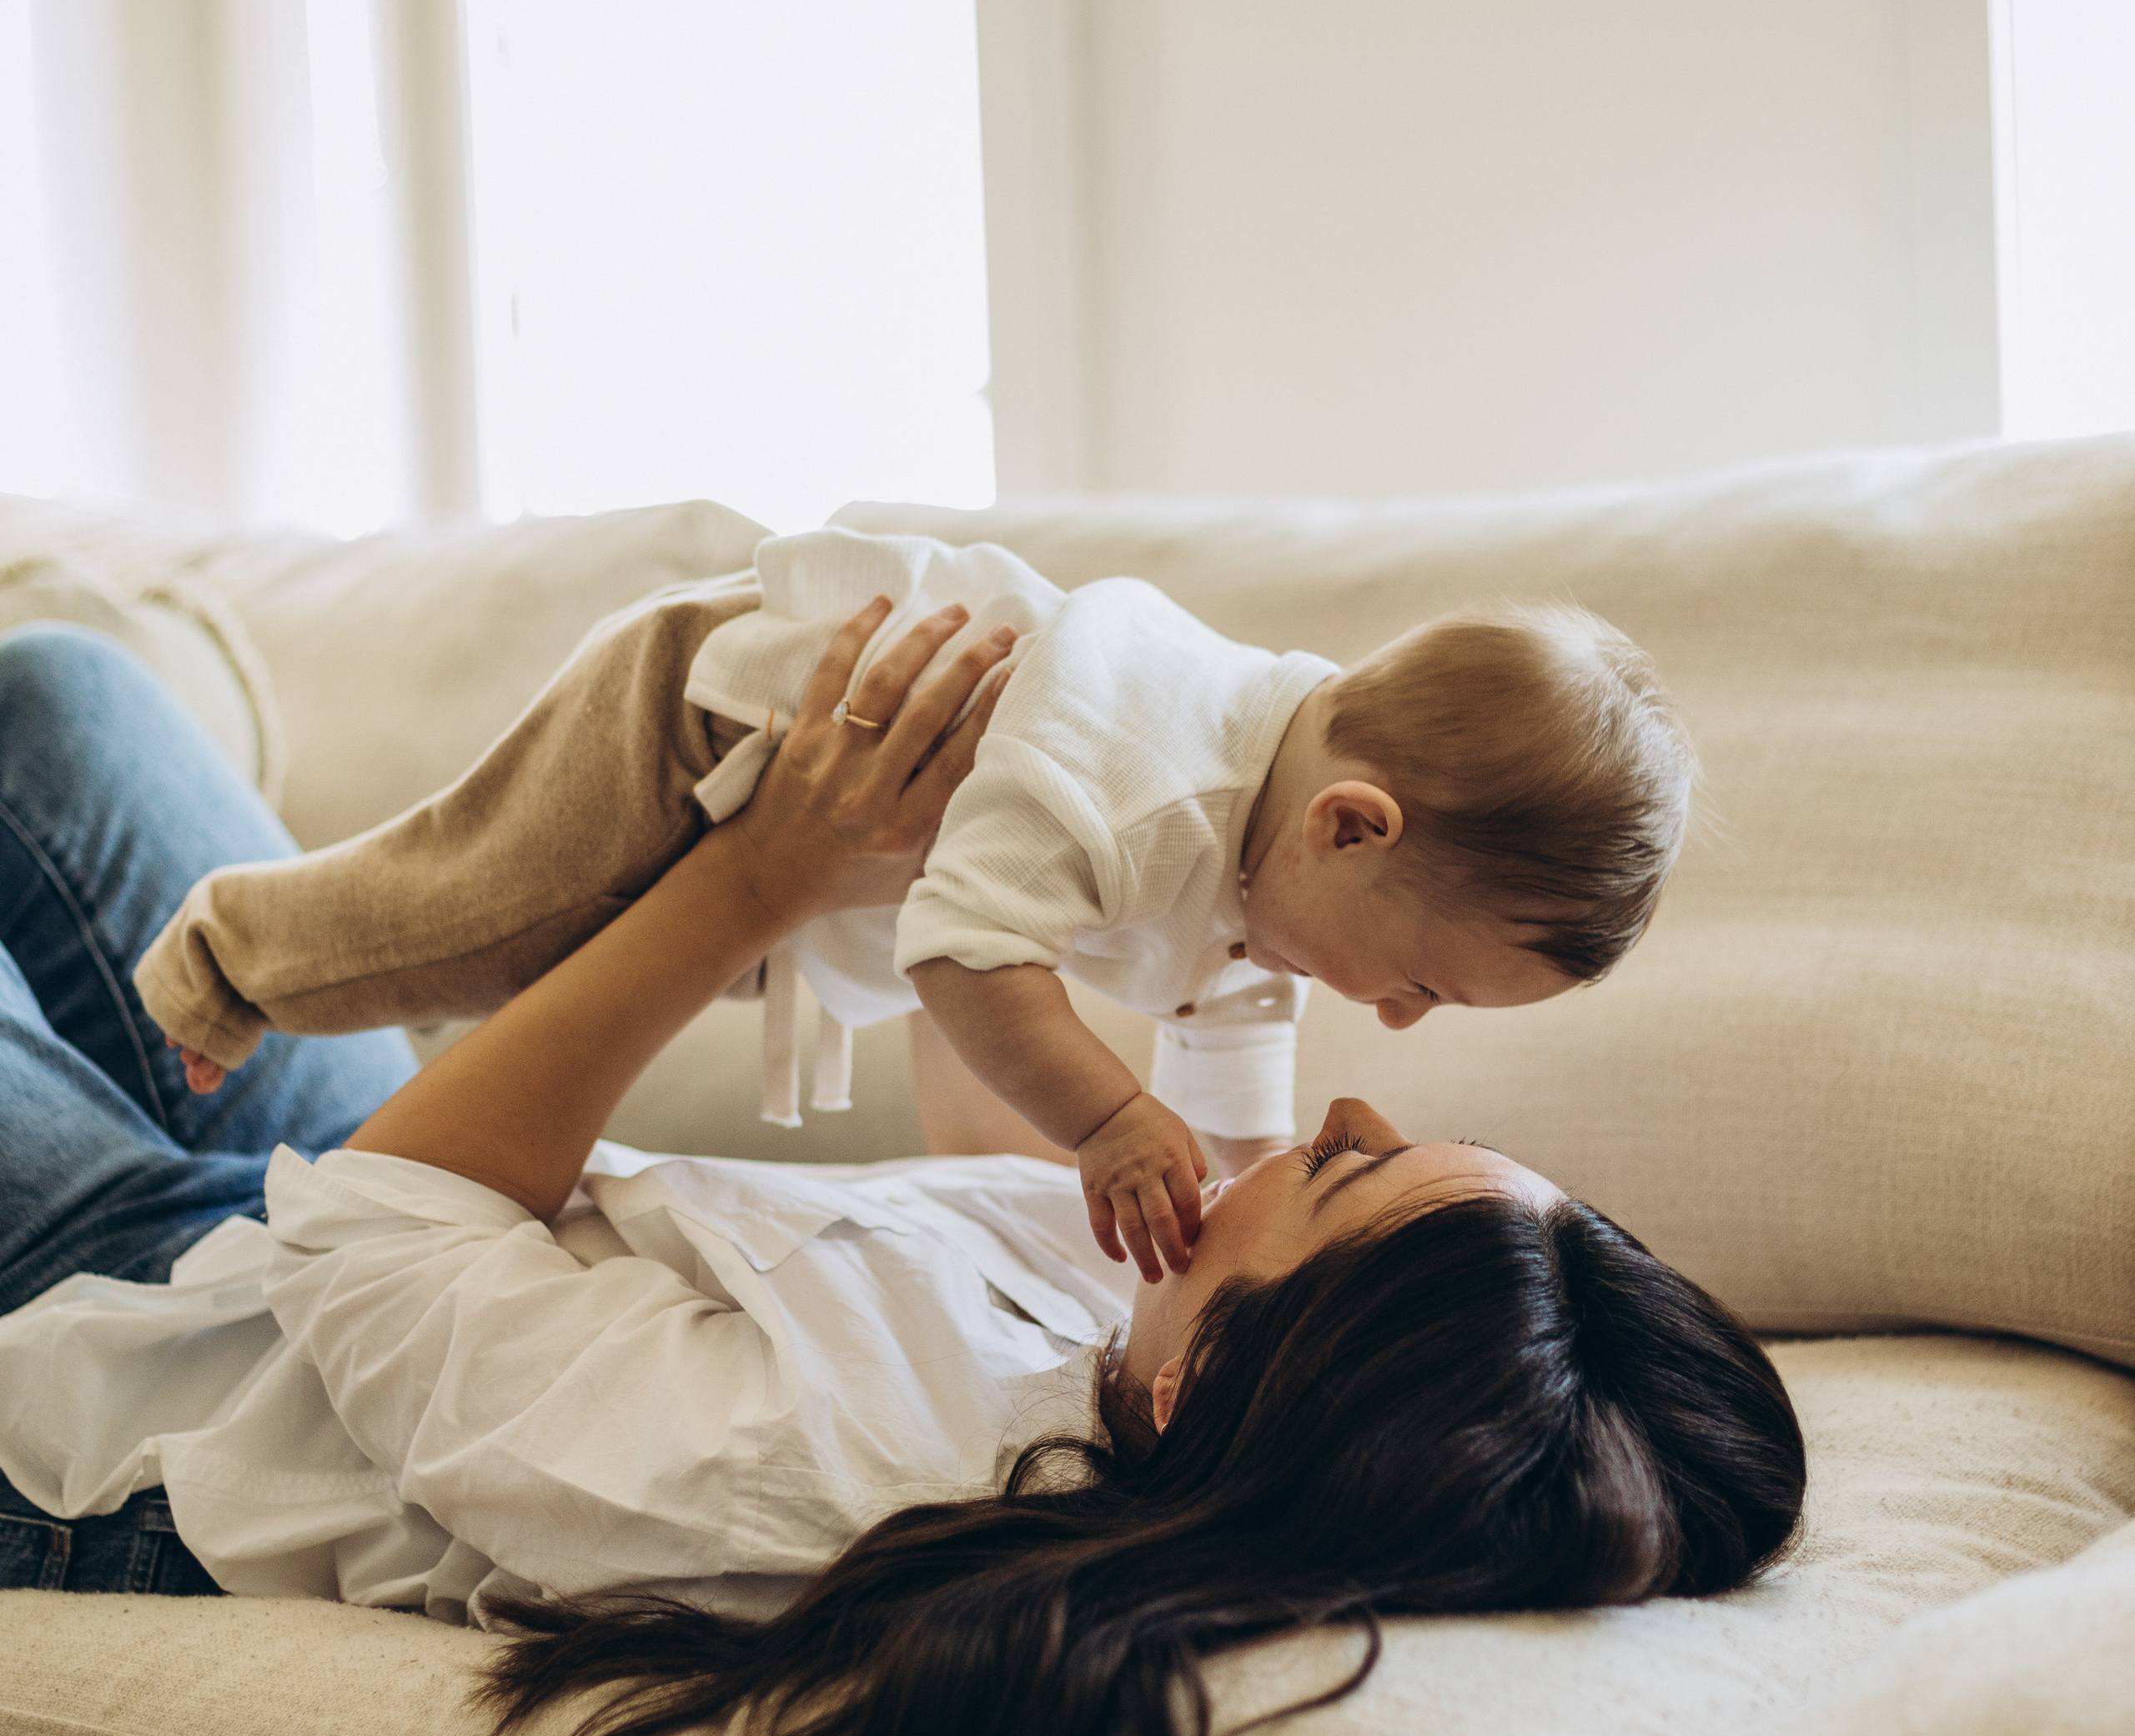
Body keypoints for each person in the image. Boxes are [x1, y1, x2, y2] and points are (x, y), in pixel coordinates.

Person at [0, 604, 1802, 1736]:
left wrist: (759, 881)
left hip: (169, 1368)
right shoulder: (1152, 1346)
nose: (1348, 1105)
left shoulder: (828, 1470)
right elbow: (980, 1163)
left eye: (1344, 1174)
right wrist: (976, 870)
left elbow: (381, 1235)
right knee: (68, 702)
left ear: (1216, 1389)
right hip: (401, 1216)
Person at [132, 528, 1695, 1283]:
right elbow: (963, 950)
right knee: (473, 920)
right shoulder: (1144, 775)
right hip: (700, 723)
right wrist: (1105, 1119)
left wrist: (1255, 1238)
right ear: (1351, 827)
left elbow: (1235, 1131)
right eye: (1423, 982)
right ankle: (229, 961)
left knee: (503, 963)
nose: (1395, 1024)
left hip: (798, 863)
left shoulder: (1270, 896)